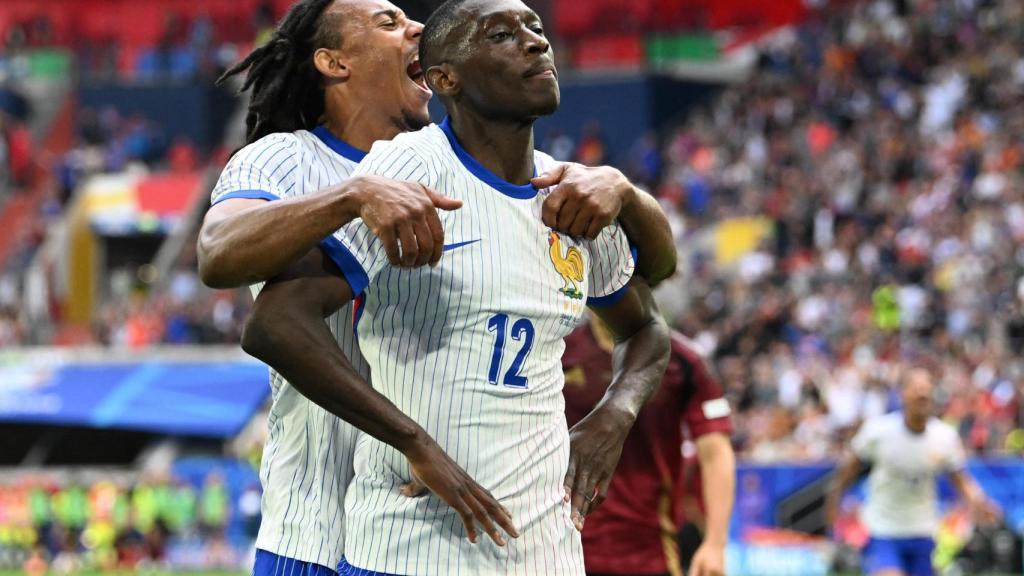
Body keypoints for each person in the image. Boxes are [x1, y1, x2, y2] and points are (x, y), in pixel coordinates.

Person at [200, 0, 677, 574]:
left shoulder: (523, 182)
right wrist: (353, 197)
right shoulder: (291, 160)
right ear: (333, 62)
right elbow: (219, 256)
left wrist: (624, 190)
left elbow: (655, 281)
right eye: (388, 22)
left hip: (482, 528)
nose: (416, 28)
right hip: (320, 518)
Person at [562, 319, 734, 576]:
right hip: (564, 547)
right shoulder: (559, 350)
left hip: (651, 551)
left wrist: (716, 543)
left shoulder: (683, 359)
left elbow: (716, 452)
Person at [826, 367, 1000, 576]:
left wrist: (979, 501)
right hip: (883, 531)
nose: (922, 394)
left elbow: (961, 480)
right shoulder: (878, 432)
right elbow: (846, 473)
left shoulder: (945, 438)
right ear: (902, 394)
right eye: (916, 388)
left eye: (926, 389)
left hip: (923, 532)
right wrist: (834, 508)